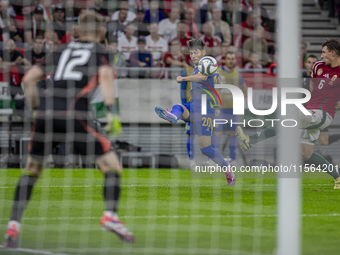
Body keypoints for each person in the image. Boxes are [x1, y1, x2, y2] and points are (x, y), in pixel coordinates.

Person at [3, 11, 135, 249]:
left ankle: (13, 224)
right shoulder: (102, 52)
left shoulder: (61, 50)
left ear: (77, 30)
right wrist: (111, 111)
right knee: (111, 164)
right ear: (102, 32)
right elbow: (105, 76)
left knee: (32, 169)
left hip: (45, 115)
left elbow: (29, 79)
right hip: (75, 114)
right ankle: (110, 216)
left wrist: (35, 109)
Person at [236, 39, 340, 189]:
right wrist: (314, 98)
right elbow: (313, 84)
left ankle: (249, 140)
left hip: (323, 114)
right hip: (311, 111)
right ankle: (337, 177)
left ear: (333, 53)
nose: (321, 56)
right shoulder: (318, 66)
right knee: (306, 154)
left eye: (324, 52)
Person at [154, 38, 236, 185]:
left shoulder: (206, 64)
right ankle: (173, 116)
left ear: (204, 53)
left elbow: (202, 77)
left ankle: (227, 167)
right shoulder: (206, 66)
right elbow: (217, 85)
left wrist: (184, 78)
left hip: (205, 110)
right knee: (179, 106)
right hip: (194, 105)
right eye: (191, 52)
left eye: (196, 52)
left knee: (205, 149)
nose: (193, 55)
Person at [213, 51, 247, 165]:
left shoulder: (237, 74)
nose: (230, 61)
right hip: (220, 109)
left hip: (233, 109)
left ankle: (233, 159)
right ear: (225, 60)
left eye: (232, 59)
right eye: (228, 59)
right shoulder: (218, 72)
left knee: (233, 134)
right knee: (218, 133)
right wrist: (215, 105)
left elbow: (244, 88)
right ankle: (215, 159)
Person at [303, 54, 340, 147]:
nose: (311, 65)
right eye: (309, 62)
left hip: (319, 111)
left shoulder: (322, 78)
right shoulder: (300, 78)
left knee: (324, 141)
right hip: (304, 113)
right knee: (302, 145)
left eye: (314, 63)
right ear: (305, 64)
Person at [180, 64, 196, 170]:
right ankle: (192, 161)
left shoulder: (207, 70)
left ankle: (210, 161)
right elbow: (182, 91)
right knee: (191, 134)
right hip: (191, 107)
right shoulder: (187, 71)